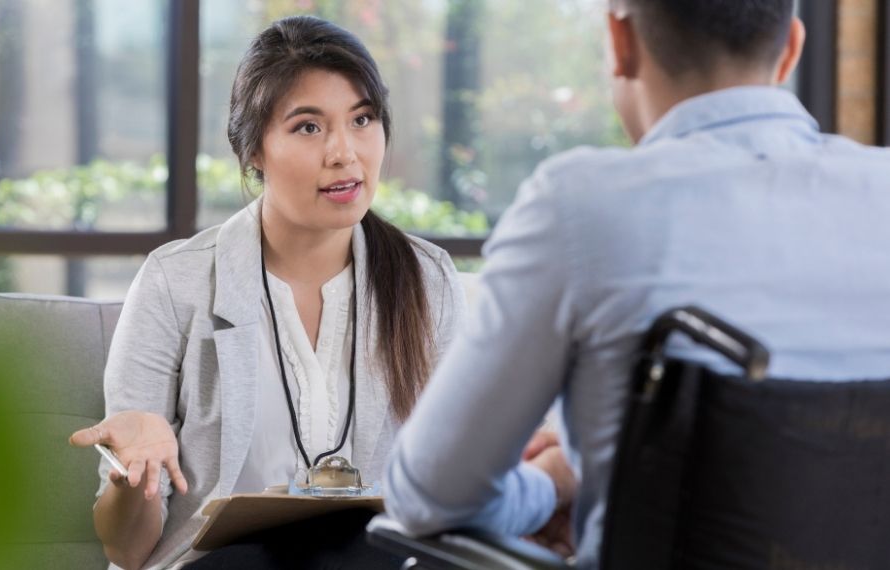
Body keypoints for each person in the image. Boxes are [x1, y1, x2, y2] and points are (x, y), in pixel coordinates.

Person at [382, 0, 890, 567]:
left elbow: (429, 495)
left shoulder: (581, 208)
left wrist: (553, 482)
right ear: (791, 49)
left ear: (620, 42)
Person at [68, 16, 465, 570]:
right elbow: (127, 549)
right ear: (254, 149)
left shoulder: (428, 279)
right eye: (308, 127)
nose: (344, 153)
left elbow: (455, 481)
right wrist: (135, 477)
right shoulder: (174, 281)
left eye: (362, 119)